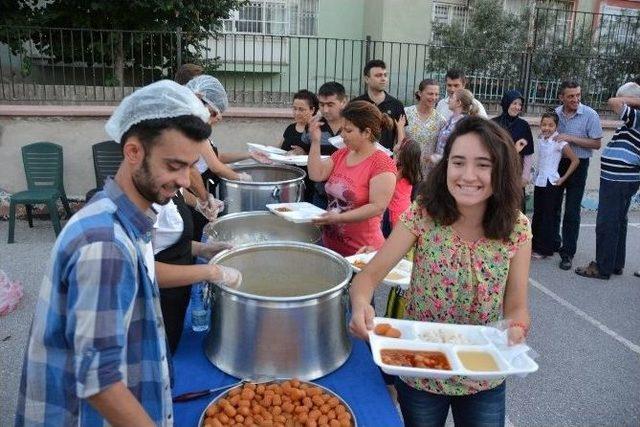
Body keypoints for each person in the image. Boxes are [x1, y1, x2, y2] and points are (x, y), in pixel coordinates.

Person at [15, 80, 241, 426]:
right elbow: (99, 380)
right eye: (174, 165)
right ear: (133, 151)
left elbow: (143, 273)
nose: (184, 180)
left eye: (190, 167)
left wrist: (209, 251)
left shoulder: (127, 216)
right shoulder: (104, 242)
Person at [349, 116, 531, 427]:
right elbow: (366, 279)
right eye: (458, 162)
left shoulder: (516, 228)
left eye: (483, 165)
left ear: (500, 170)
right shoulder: (423, 215)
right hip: (421, 370)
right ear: (446, 166)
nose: (468, 176)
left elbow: (516, 307)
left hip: (482, 374)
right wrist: (361, 306)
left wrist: (516, 329)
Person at [308, 100, 397, 256]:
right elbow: (316, 174)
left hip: (362, 252)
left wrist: (339, 218)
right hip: (332, 247)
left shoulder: (382, 164)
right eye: (342, 129)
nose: (342, 135)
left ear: (366, 133)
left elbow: (377, 207)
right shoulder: (342, 154)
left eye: (348, 131)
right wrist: (315, 141)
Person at [152, 190, 235, 354]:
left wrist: (202, 249)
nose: (185, 180)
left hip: (176, 301)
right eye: (179, 166)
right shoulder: (147, 203)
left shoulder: (173, 188)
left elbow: (164, 243)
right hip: (157, 308)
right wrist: (210, 272)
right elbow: (143, 268)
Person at [575, 82, 640, 279]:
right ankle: (614, 263)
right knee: (618, 220)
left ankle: (602, 267)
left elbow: (614, 101)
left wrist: (631, 99)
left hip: (619, 178)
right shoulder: (633, 119)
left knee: (607, 222)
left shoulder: (636, 115)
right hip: (622, 177)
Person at [553, 81, 603, 270]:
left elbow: (597, 143)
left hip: (579, 165)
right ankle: (555, 242)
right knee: (554, 206)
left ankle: (568, 253)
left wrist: (570, 138)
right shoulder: (555, 113)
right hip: (558, 163)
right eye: (571, 96)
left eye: (578, 95)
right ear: (562, 97)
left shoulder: (590, 114)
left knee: (572, 210)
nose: (575, 99)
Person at [531, 112, 579, 259]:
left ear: (556, 126)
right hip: (540, 181)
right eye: (544, 124)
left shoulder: (560, 142)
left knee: (548, 216)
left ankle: (545, 249)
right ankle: (534, 245)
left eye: (551, 125)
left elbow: (575, 160)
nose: (547, 128)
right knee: (538, 214)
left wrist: (563, 178)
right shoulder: (541, 139)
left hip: (551, 182)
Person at [300, 81, 348, 208]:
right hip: (320, 194)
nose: (325, 110)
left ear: (343, 102)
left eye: (330, 105)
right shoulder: (313, 126)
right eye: (322, 105)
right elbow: (304, 151)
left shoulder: (354, 125)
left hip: (348, 197)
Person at [492, 90, 535, 213]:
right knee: (496, 207)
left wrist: (525, 177)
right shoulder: (494, 124)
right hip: (497, 171)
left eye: (519, 104)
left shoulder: (523, 125)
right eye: (514, 103)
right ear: (506, 103)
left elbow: (528, 153)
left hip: (516, 172)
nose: (517, 107)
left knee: (515, 208)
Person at [397, 78, 447, 176]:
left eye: (436, 94)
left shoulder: (441, 120)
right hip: (405, 170)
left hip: (428, 174)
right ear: (420, 93)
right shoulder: (406, 113)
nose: (434, 97)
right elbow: (398, 141)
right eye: (430, 94)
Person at [353, 59, 405, 150]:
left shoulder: (396, 105)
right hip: (361, 157)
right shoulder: (356, 104)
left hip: (386, 159)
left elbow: (400, 135)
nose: (383, 78)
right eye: (378, 75)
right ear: (366, 79)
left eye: (385, 75)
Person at [383, 138, 423, 237]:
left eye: (400, 147)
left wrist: (394, 154)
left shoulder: (401, 171)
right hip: (404, 207)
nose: (398, 147)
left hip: (396, 210)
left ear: (404, 154)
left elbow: (389, 181)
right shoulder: (412, 170)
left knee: (391, 238)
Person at [431, 88, 479, 163]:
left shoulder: (464, 124)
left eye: (452, 98)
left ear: (458, 102)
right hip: (442, 165)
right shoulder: (451, 119)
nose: (449, 100)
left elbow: (463, 150)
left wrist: (441, 158)